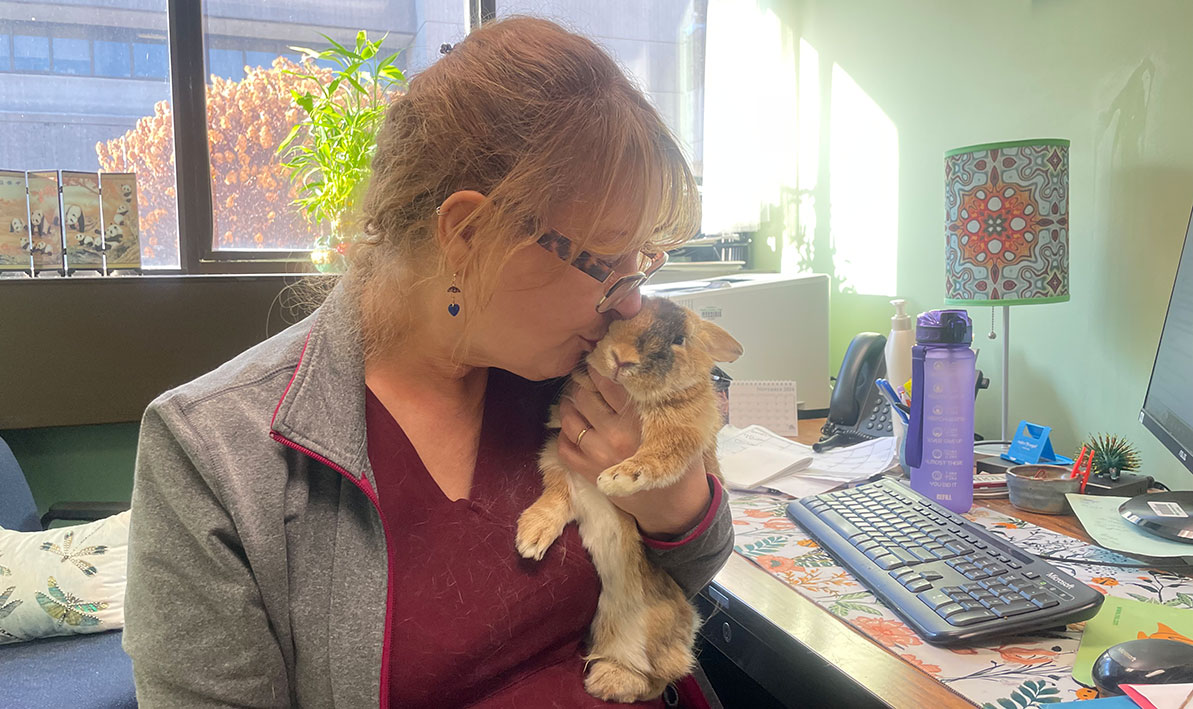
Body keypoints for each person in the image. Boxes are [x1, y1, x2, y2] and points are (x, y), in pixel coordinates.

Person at [123, 16, 733, 708]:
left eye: (643, 259)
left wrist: (675, 507)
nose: (630, 304)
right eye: (606, 259)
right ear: (469, 234)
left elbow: (686, 572)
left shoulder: (579, 374)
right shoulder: (215, 454)